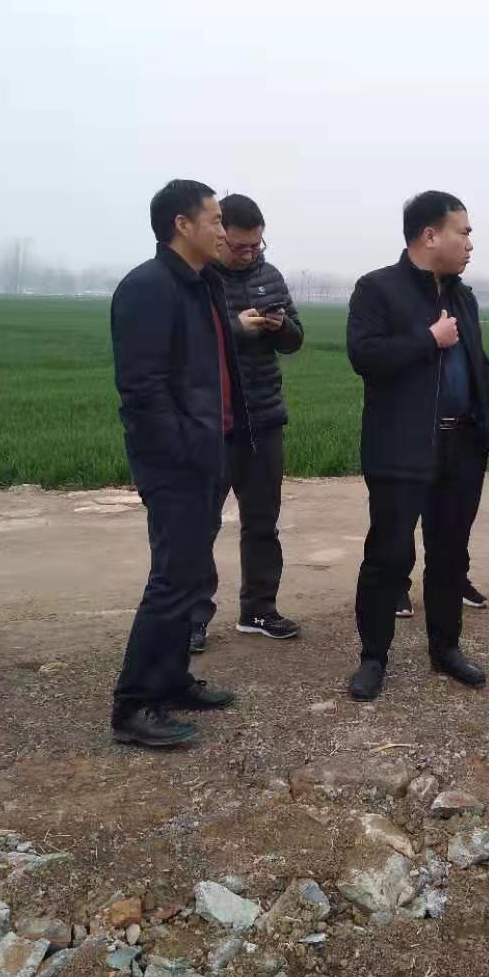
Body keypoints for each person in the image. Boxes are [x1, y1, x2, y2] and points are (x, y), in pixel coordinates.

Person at [345, 191, 489, 701]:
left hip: (462, 445)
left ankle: (446, 648)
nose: (470, 243)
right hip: (401, 447)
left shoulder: (464, 297)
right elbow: (365, 356)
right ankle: (373, 657)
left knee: (450, 554)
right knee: (388, 556)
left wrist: (486, 426)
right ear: (431, 235)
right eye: (464, 232)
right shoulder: (377, 289)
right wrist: (428, 339)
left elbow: (479, 367)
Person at [107, 179, 239, 747]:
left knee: (189, 577)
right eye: (214, 220)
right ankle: (134, 705)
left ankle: (173, 679)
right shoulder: (148, 287)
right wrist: (184, 449)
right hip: (176, 462)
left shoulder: (204, 283)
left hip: (209, 452)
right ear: (182, 225)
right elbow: (142, 389)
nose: (222, 230)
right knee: (171, 580)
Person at [188, 193, 304, 651]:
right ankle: (192, 618)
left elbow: (295, 338)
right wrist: (237, 327)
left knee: (262, 523)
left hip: (263, 419)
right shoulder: (196, 279)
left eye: (257, 246)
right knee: (200, 526)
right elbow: (189, 345)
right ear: (220, 237)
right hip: (212, 424)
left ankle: (258, 609)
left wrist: (280, 327)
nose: (249, 254)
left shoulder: (269, 276)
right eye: (240, 247)